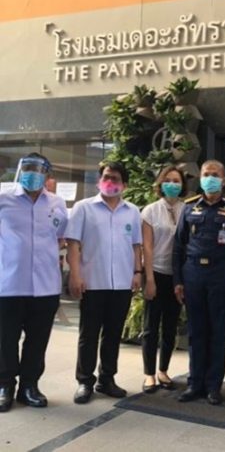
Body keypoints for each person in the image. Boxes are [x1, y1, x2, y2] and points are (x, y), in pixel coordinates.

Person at [66, 161, 142, 404]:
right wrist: (75, 275)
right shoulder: (84, 208)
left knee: (113, 334)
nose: (110, 182)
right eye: (106, 177)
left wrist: (137, 272)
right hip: (92, 281)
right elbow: (73, 244)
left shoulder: (132, 211)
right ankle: (84, 381)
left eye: (115, 178)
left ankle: (107, 379)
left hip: (121, 283)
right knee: (88, 334)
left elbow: (136, 245)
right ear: (99, 180)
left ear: (124, 184)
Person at [173, 160, 225, 405]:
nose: (210, 178)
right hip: (193, 273)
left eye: (215, 174)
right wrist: (178, 280)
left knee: (217, 331)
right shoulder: (189, 207)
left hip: (220, 274)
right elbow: (178, 246)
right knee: (196, 331)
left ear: (224, 180)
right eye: (206, 174)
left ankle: (214, 386)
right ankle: (194, 383)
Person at [0, 153, 68, 412]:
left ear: (47, 174)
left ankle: (29, 386)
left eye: (37, 169)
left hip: (45, 285)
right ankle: (5, 385)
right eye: (27, 168)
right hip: (8, 283)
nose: (31, 174)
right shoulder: (3, 199)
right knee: (5, 339)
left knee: (37, 340)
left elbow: (61, 237)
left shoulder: (57, 203)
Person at [141, 165, 186, 393]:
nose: (172, 184)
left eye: (176, 180)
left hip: (177, 277)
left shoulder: (187, 209)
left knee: (170, 326)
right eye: (168, 180)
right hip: (155, 273)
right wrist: (149, 278)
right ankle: (149, 374)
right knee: (151, 327)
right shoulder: (151, 211)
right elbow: (147, 247)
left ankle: (163, 370)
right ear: (161, 183)